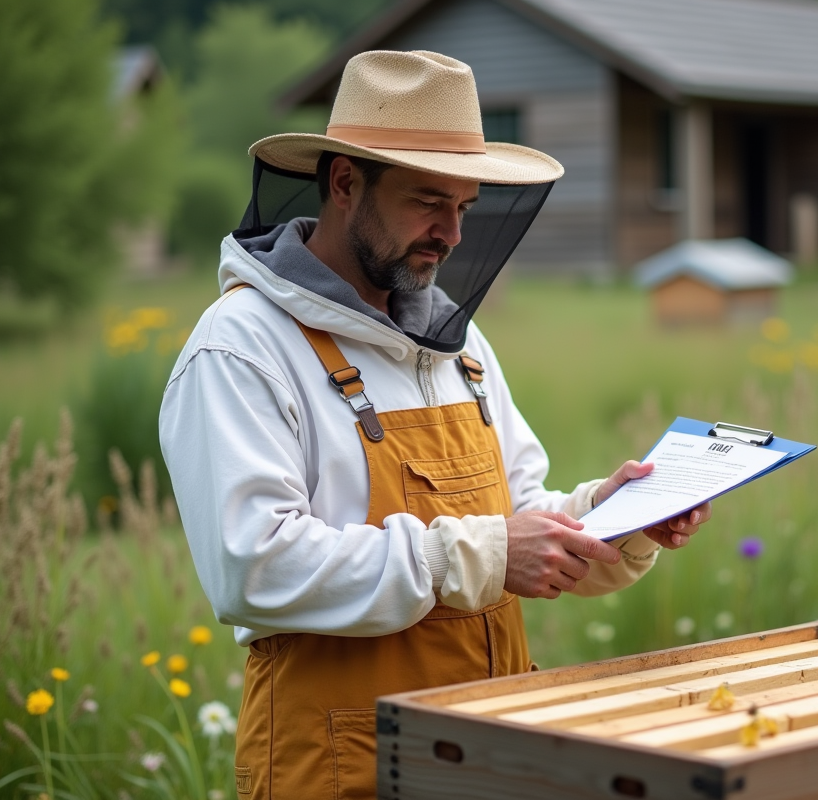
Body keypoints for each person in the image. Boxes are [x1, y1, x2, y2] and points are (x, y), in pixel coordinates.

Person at [159, 50, 710, 799]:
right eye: (428, 201)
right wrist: (480, 554)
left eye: (465, 208)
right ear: (345, 183)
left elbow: (518, 519)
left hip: (492, 749)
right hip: (339, 765)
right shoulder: (241, 347)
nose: (450, 233)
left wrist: (615, 519)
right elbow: (253, 567)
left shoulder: (457, 345)